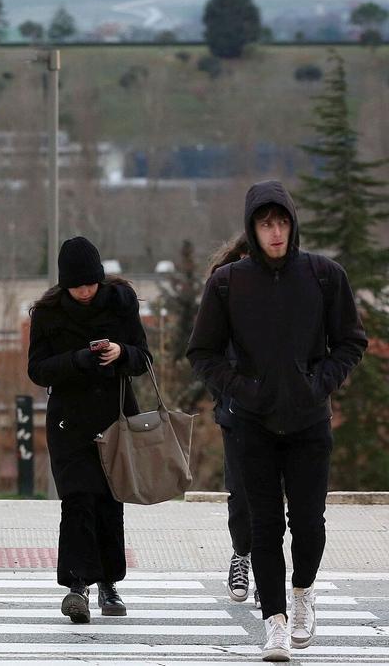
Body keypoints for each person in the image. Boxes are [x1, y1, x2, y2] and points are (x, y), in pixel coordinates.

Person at [187, 180, 367, 661]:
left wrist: (319, 382)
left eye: (282, 221)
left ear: (293, 224)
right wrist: (244, 389)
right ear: (252, 227)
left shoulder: (325, 276)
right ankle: (275, 624)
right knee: (265, 528)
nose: (275, 231)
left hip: (309, 423)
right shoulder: (227, 283)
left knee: (308, 524)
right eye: (265, 223)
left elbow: (351, 341)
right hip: (253, 426)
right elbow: (201, 351)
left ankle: (303, 594)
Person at [26, 236, 151, 624]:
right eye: (76, 285)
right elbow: (37, 369)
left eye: (89, 284)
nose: (83, 292)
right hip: (69, 422)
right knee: (77, 500)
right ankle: (77, 585)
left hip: (114, 418)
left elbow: (144, 358)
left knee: (109, 503)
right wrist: (79, 359)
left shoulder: (121, 304)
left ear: (99, 279)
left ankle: (109, 584)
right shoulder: (47, 313)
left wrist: (121, 353)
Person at [203, 234, 259, 609]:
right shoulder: (220, 292)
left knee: (276, 496)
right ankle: (241, 556)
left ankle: (267, 567)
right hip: (236, 409)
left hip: (283, 409)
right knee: (240, 491)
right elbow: (206, 351)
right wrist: (226, 392)